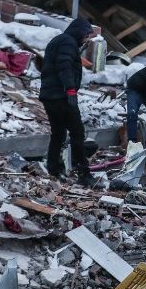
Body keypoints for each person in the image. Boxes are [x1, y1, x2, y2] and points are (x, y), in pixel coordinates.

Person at [39, 18, 97, 186]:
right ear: (79, 32)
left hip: (50, 96)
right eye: (86, 36)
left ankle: (53, 168)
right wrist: (70, 90)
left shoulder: (60, 40)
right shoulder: (68, 42)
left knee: (58, 133)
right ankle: (84, 174)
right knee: (77, 133)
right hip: (62, 95)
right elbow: (63, 65)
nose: (86, 40)